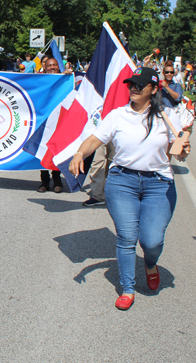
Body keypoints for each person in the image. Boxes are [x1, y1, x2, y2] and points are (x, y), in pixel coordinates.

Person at [69, 67, 190, 310]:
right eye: (131, 84)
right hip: (122, 182)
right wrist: (80, 153)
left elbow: (177, 152)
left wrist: (183, 149)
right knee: (126, 237)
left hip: (158, 184)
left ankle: (150, 263)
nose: (134, 88)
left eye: (140, 85)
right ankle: (127, 287)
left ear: (153, 89)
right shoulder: (117, 115)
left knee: (152, 241)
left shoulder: (167, 115)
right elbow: (95, 139)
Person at [38, 58, 64, 193]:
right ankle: (44, 181)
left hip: (59, 119)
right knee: (42, 149)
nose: (52, 67)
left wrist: (69, 75)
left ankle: (57, 180)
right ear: (45, 67)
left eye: (54, 65)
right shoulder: (41, 79)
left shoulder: (65, 79)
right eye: (50, 65)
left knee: (56, 149)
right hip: (43, 119)